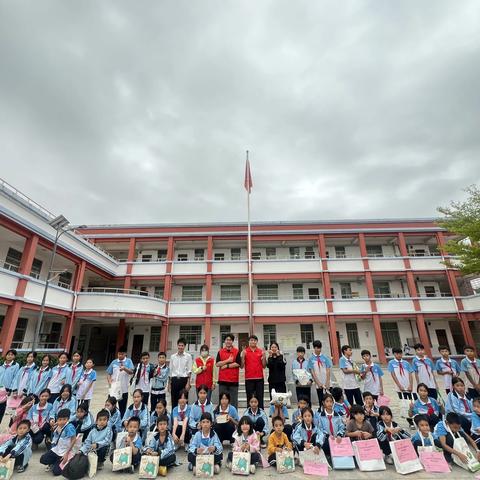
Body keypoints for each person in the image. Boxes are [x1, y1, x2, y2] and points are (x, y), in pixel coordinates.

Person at [39, 408, 77, 476]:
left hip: (65, 451)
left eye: (64, 419)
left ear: (68, 419)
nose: (62, 421)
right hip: (57, 449)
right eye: (60, 419)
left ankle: (67, 461)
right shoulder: (58, 425)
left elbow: (73, 439)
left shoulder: (70, 427)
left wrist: (66, 454)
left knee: (56, 472)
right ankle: (56, 462)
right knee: (43, 459)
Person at [388, 347, 415, 428]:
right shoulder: (391, 363)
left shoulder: (406, 363)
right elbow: (393, 375)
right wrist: (399, 385)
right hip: (400, 388)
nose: (399, 355)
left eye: (400, 353)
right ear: (394, 354)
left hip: (409, 387)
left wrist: (411, 385)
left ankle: (415, 418)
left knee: (412, 403)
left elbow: (410, 374)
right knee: (405, 404)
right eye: (396, 354)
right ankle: (410, 422)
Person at [106, 345, 134, 416]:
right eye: (119, 354)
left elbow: (131, 372)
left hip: (124, 389)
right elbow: (109, 373)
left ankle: (121, 422)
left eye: (122, 354)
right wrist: (110, 382)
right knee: (110, 406)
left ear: (125, 354)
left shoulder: (128, 361)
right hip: (114, 388)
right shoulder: (114, 362)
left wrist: (124, 368)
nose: (120, 355)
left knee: (122, 408)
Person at [216, 334, 241, 409]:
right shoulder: (220, 352)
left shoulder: (236, 351)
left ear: (232, 341)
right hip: (222, 380)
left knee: (233, 401)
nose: (228, 341)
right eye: (227, 339)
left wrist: (226, 366)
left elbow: (238, 363)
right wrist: (228, 361)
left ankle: (234, 418)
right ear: (224, 341)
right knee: (222, 401)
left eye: (230, 340)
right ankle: (222, 417)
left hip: (233, 380)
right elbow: (217, 364)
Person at [241, 335, 267, 409]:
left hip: (259, 378)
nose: (253, 342)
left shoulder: (260, 351)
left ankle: (261, 413)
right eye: (251, 340)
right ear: (249, 342)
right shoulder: (245, 351)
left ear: (257, 342)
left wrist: (264, 357)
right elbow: (242, 366)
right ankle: (249, 413)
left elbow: (264, 366)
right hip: (249, 378)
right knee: (249, 397)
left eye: (254, 340)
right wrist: (243, 356)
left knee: (260, 397)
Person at [169, 337, 193, 409]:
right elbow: (170, 370)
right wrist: (169, 383)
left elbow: (189, 370)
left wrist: (188, 383)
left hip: (184, 380)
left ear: (185, 346)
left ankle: (184, 417)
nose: (180, 347)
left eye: (182, 345)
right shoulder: (172, 356)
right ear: (177, 345)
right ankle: (174, 417)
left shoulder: (188, 356)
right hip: (174, 380)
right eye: (179, 345)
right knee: (174, 399)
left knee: (184, 400)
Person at [307, 340, 332, 407]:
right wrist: (318, 383)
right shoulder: (311, 359)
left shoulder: (325, 357)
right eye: (317, 348)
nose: (319, 349)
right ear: (314, 348)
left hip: (327, 381)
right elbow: (312, 372)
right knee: (321, 400)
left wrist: (327, 382)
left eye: (320, 348)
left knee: (329, 399)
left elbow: (328, 370)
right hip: (318, 382)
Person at [0, 349, 20, 424]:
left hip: (6, 390)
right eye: (8, 354)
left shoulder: (16, 365)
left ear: (14, 356)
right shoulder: (1, 365)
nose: (10, 356)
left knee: (1, 408)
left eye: (12, 355)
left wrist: (11, 389)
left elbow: (15, 378)